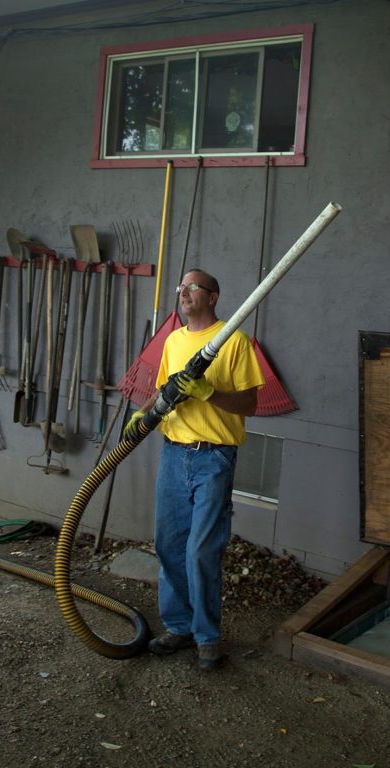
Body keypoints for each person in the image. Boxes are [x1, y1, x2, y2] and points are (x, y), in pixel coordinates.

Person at [124, 268, 264, 670]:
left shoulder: (234, 341)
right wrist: (143, 412)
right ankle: (179, 627)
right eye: (180, 288)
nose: (183, 293)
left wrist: (209, 392)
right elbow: (164, 390)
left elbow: (250, 405)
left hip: (213, 456)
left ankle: (207, 637)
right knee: (168, 544)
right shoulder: (174, 340)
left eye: (192, 288)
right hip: (173, 453)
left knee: (201, 549)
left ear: (213, 296)